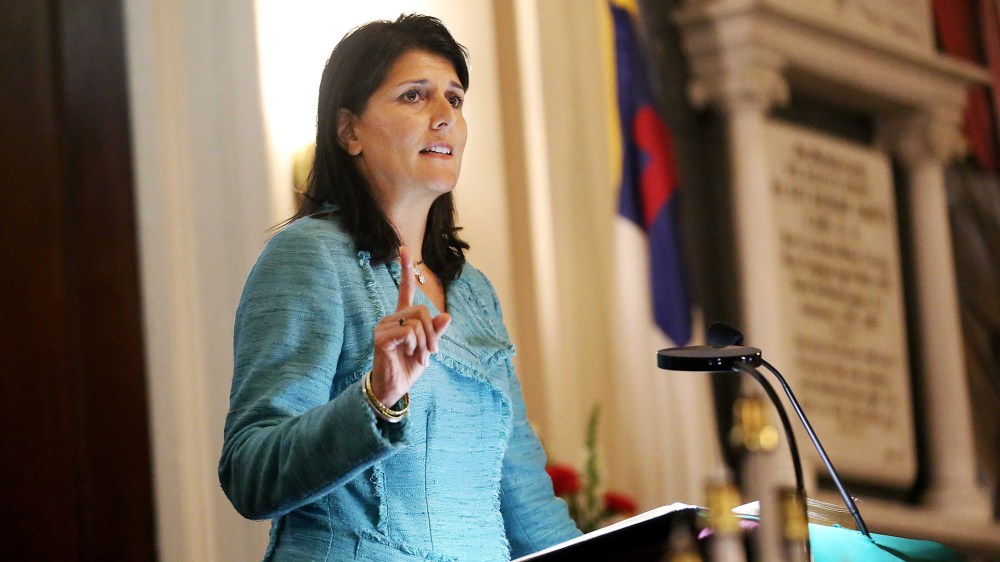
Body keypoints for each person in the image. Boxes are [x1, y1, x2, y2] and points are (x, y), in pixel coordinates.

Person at [218, 14, 581, 561]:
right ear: (349, 131)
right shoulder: (309, 257)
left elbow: (526, 501)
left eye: (455, 100)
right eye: (415, 96)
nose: (444, 118)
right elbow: (251, 473)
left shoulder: (474, 293)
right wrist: (376, 397)